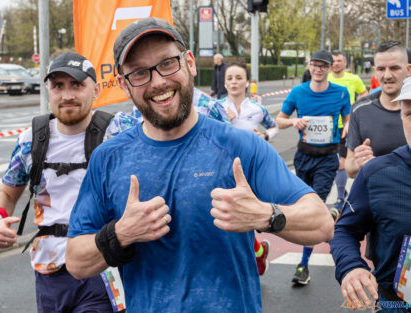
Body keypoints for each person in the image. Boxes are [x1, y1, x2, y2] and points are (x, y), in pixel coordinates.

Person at [66, 17, 334, 313]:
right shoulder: (108, 158)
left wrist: (266, 214)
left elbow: (321, 223)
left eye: (167, 63)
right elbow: (76, 262)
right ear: (124, 85)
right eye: (140, 73)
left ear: (190, 63)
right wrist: (120, 234)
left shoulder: (240, 147)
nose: (158, 82)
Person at [0, 52, 115, 313]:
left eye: (77, 85)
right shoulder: (30, 140)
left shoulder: (117, 133)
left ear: (96, 90)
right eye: (58, 86)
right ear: (48, 90)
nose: (67, 95)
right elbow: (8, 193)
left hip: (103, 266)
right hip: (49, 269)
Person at [330, 76, 411, 313]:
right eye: (409, 115)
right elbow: (344, 230)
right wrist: (351, 267)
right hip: (396, 304)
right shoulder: (377, 173)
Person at [276, 49, 351, 286]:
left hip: (328, 157)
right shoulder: (298, 92)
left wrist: (348, 129)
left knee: (312, 208)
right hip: (304, 156)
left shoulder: (341, 93)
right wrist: (293, 121)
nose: (319, 69)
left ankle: (303, 265)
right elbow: (279, 120)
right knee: (301, 204)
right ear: (309, 67)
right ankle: (330, 213)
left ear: (330, 68)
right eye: (315, 65)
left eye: (324, 66)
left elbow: (348, 119)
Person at [219, 61, 278, 275]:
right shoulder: (217, 108)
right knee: (227, 217)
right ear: (224, 83)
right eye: (230, 78)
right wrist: (226, 120)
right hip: (221, 169)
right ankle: (256, 252)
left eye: (238, 78)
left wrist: (264, 136)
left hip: (250, 169)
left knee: (243, 215)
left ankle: (254, 253)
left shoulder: (257, 109)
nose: (234, 82)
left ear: (247, 82)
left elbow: (274, 126)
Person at [345, 41, 410, 179]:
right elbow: (349, 169)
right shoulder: (360, 110)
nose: (387, 75)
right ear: (375, 71)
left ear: (408, 70)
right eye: (381, 69)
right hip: (375, 197)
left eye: (394, 68)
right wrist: (359, 162)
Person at [327, 51, 368, 211]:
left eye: (339, 61)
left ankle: (339, 197)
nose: (336, 63)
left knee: (341, 162)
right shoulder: (326, 78)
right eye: (333, 61)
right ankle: (340, 189)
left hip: (346, 126)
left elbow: (364, 93)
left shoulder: (354, 79)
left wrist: (356, 110)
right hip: (327, 126)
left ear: (345, 63)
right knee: (328, 162)